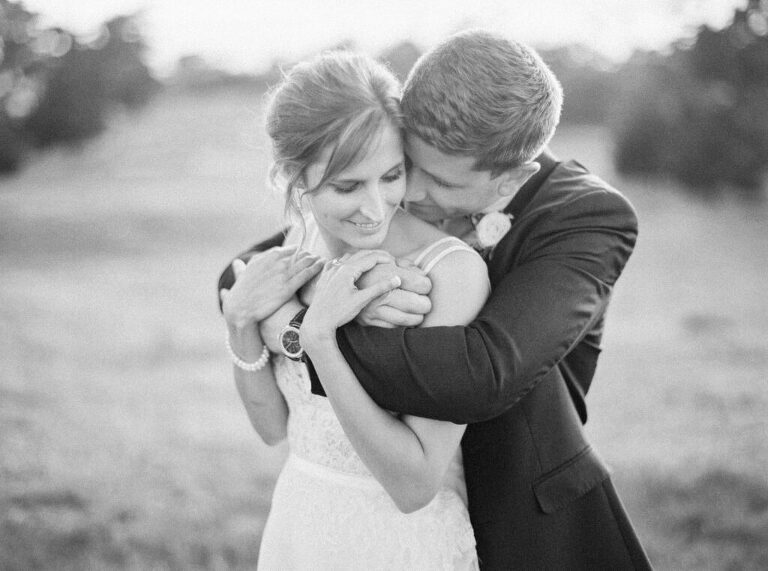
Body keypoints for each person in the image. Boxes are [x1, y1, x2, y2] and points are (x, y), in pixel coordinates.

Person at [221, 31, 653, 569]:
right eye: (408, 165)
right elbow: (252, 272)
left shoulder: (584, 218)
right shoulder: (368, 204)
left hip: (517, 508)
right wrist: (259, 308)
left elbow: (481, 374)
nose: (410, 197)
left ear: (509, 182)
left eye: (436, 180)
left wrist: (310, 327)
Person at [220, 51, 488, 569]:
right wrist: (240, 320)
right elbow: (274, 428)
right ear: (295, 177)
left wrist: (321, 338)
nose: (374, 208)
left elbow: (414, 485)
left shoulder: (450, 274)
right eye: (347, 186)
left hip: (399, 542)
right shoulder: (294, 248)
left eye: (391, 175)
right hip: (302, 521)